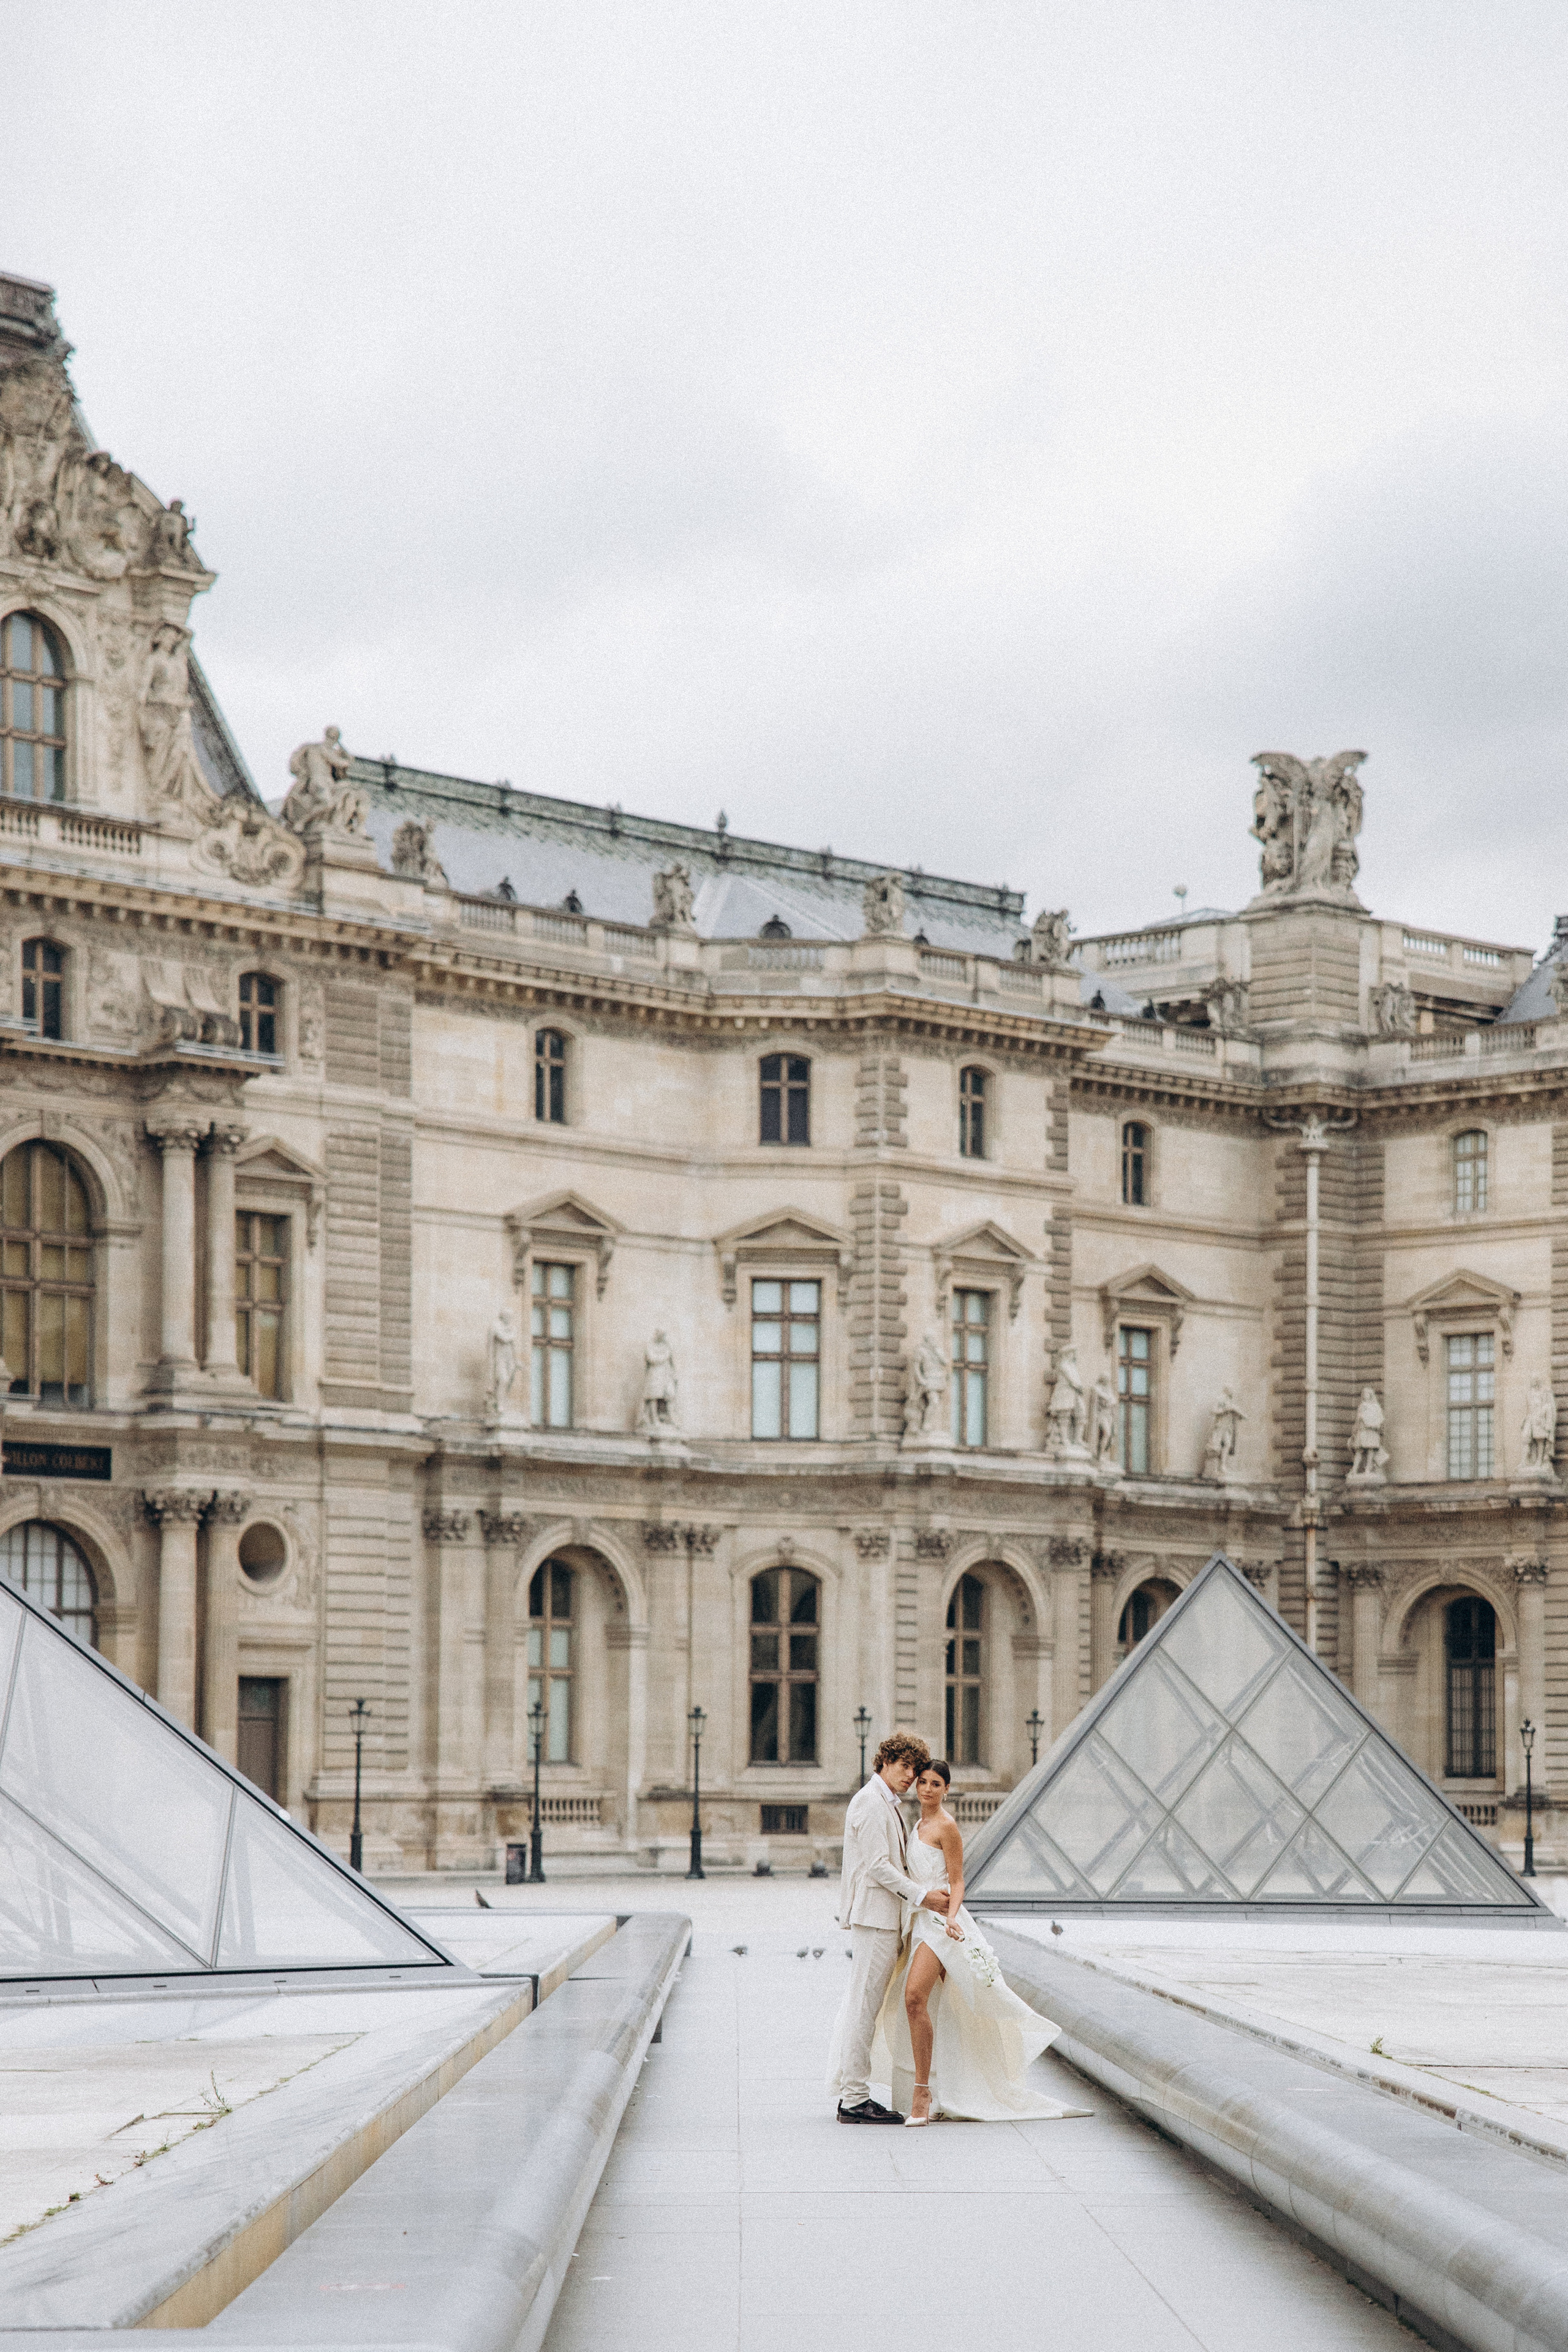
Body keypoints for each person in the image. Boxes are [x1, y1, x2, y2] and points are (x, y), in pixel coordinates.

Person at [875, 1757, 1091, 2127]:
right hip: (922, 1921)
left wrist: (953, 1916)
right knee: (940, 2009)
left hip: (944, 1925)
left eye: (935, 1784)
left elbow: (958, 1880)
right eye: (923, 1782)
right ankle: (943, 2087)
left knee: (914, 1998)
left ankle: (922, 2091)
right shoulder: (917, 1824)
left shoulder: (947, 1826)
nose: (927, 1789)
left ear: (947, 1789)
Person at [826, 1730, 952, 2124]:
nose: (909, 1775)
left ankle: (853, 2093)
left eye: (914, 1769)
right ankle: (854, 2100)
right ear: (883, 1762)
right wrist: (924, 1897)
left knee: (863, 2006)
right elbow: (880, 1867)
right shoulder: (870, 1802)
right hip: (875, 1918)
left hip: (883, 1919)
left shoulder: (885, 1803)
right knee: (863, 2009)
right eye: (903, 1765)